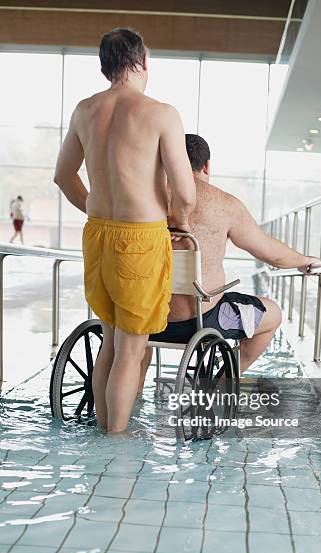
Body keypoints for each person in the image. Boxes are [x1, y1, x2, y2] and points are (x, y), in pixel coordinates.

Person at [54, 28, 196, 433]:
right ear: (143, 61)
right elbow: (185, 191)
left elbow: (64, 176)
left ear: (104, 66)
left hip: (98, 232)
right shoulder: (161, 113)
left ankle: (104, 428)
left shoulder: (85, 110)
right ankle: (116, 441)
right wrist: (181, 221)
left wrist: (96, 208)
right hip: (142, 237)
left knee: (111, 344)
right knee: (132, 350)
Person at [138, 134, 318, 391]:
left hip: (143, 318)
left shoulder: (143, 200)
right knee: (273, 313)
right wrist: (302, 260)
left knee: (134, 343)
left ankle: (131, 395)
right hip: (202, 321)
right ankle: (220, 385)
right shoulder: (225, 204)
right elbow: (271, 254)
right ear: (207, 166)